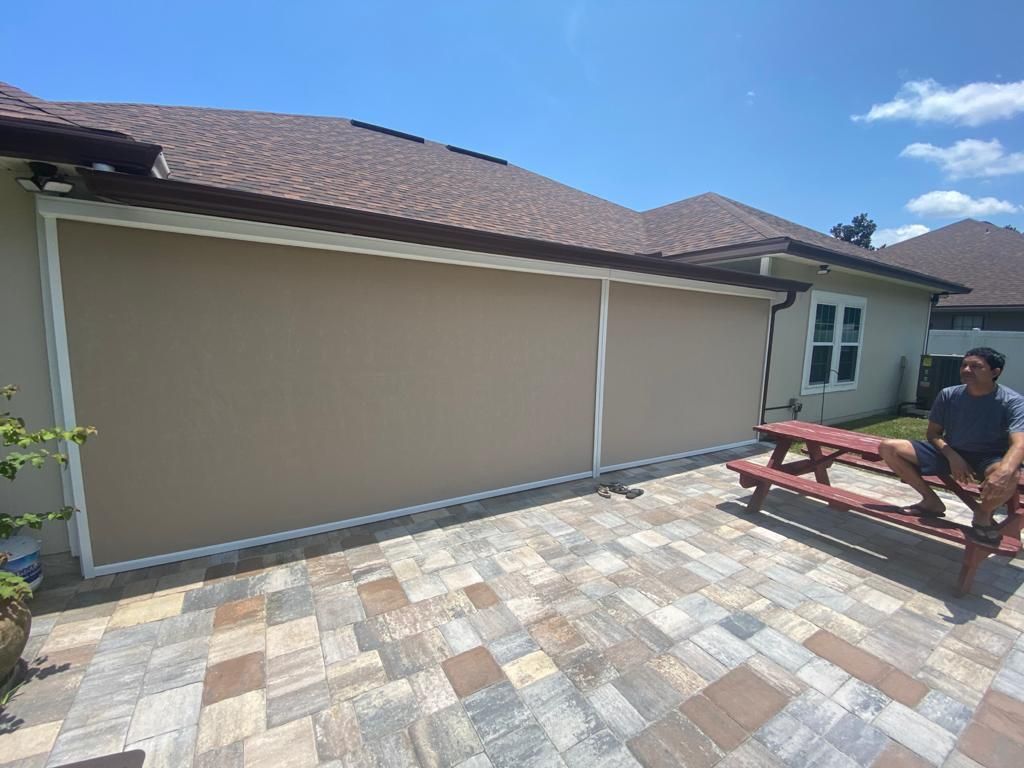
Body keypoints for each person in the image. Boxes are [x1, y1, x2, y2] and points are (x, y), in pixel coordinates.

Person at [878, 347, 1024, 545]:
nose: (966, 370)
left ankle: (982, 513)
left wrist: (1004, 471)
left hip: (988, 458)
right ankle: (931, 501)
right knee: (888, 447)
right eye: (964, 365)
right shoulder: (949, 394)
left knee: (1010, 474)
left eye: (976, 366)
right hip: (950, 451)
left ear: (995, 372)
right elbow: (933, 434)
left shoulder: (1012, 402)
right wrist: (953, 457)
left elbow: (1019, 443)